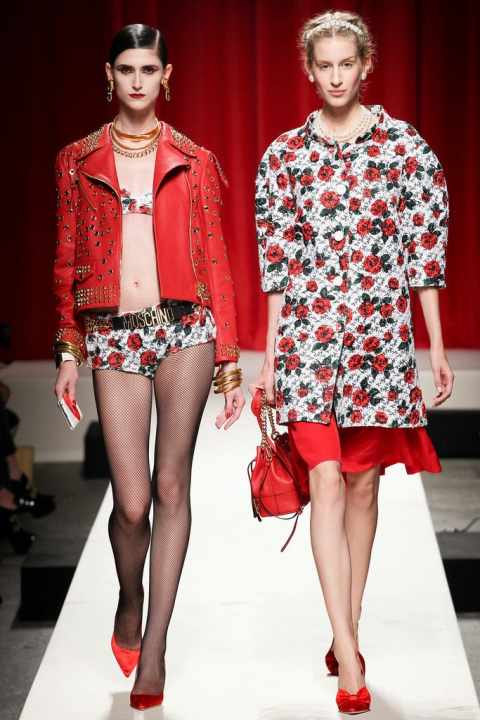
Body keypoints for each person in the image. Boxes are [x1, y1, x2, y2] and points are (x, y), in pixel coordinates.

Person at [253, 10, 453, 714]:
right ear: (309, 71)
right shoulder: (284, 156)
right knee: (326, 481)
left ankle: (348, 628)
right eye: (325, 65)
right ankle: (347, 656)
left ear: (366, 65)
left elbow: (425, 250)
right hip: (309, 342)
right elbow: (276, 264)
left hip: (377, 343)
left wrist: (434, 344)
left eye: (347, 63)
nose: (336, 76)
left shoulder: (406, 149)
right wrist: (270, 356)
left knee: (364, 487)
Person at [52, 23, 244, 710]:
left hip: (186, 329)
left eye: (149, 69)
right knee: (131, 504)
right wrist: (68, 349)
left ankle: (154, 647)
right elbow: (67, 259)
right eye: (127, 69)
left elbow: (215, 256)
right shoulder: (77, 160)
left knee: (171, 485)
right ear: (110, 75)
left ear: (167, 75)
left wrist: (229, 359)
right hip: (113, 333)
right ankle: (129, 597)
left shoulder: (195, 159)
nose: (138, 81)